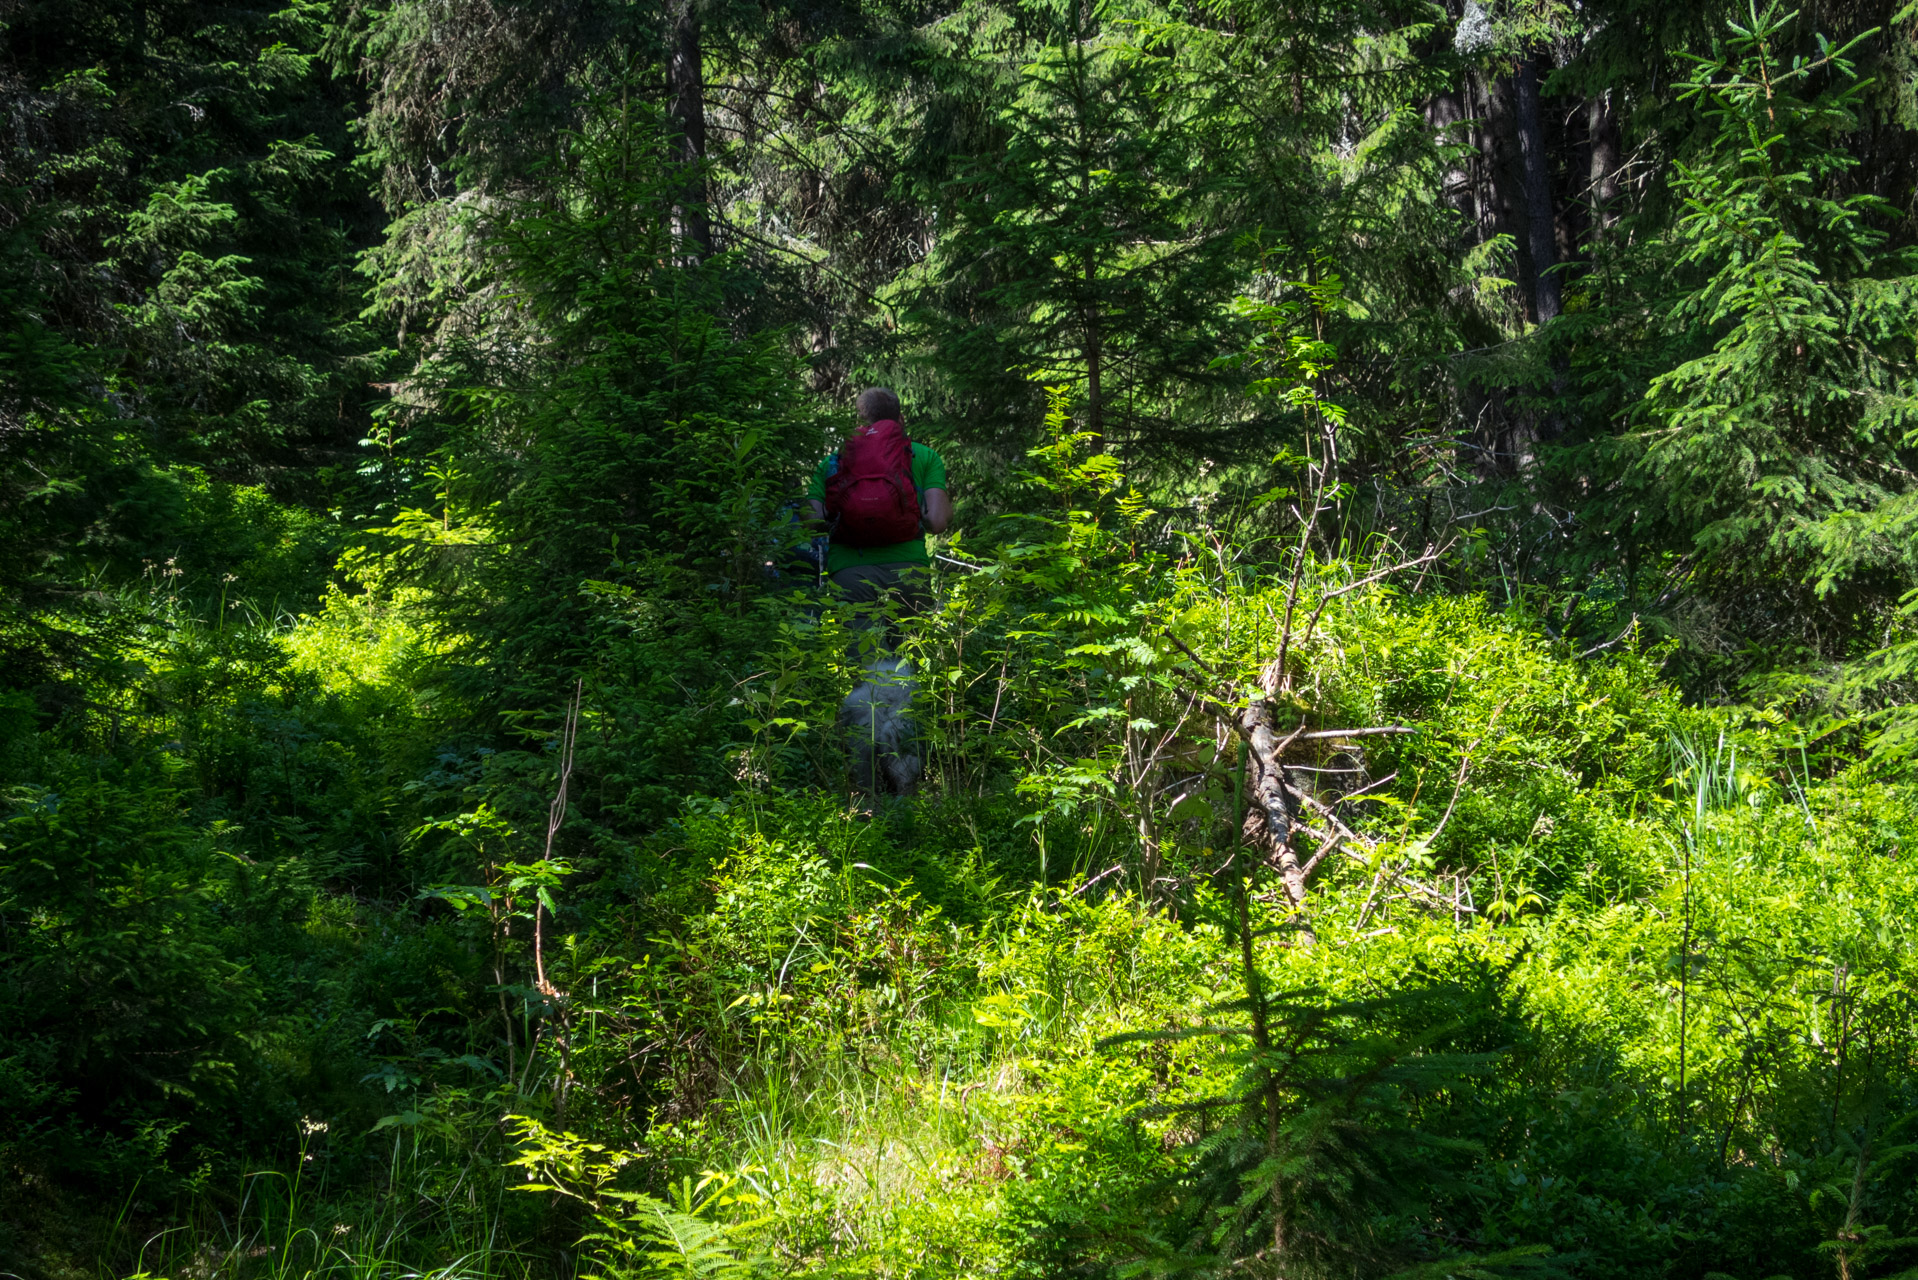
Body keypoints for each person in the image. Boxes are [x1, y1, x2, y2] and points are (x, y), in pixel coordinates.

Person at [806, 387, 951, 632]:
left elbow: (810, 522)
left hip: (850, 571)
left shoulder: (832, 462)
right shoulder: (924, 456)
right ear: (900, 419)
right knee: (911, 658)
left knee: (862, 662)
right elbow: (937, 522)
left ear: (858, 421)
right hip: (909, 570)